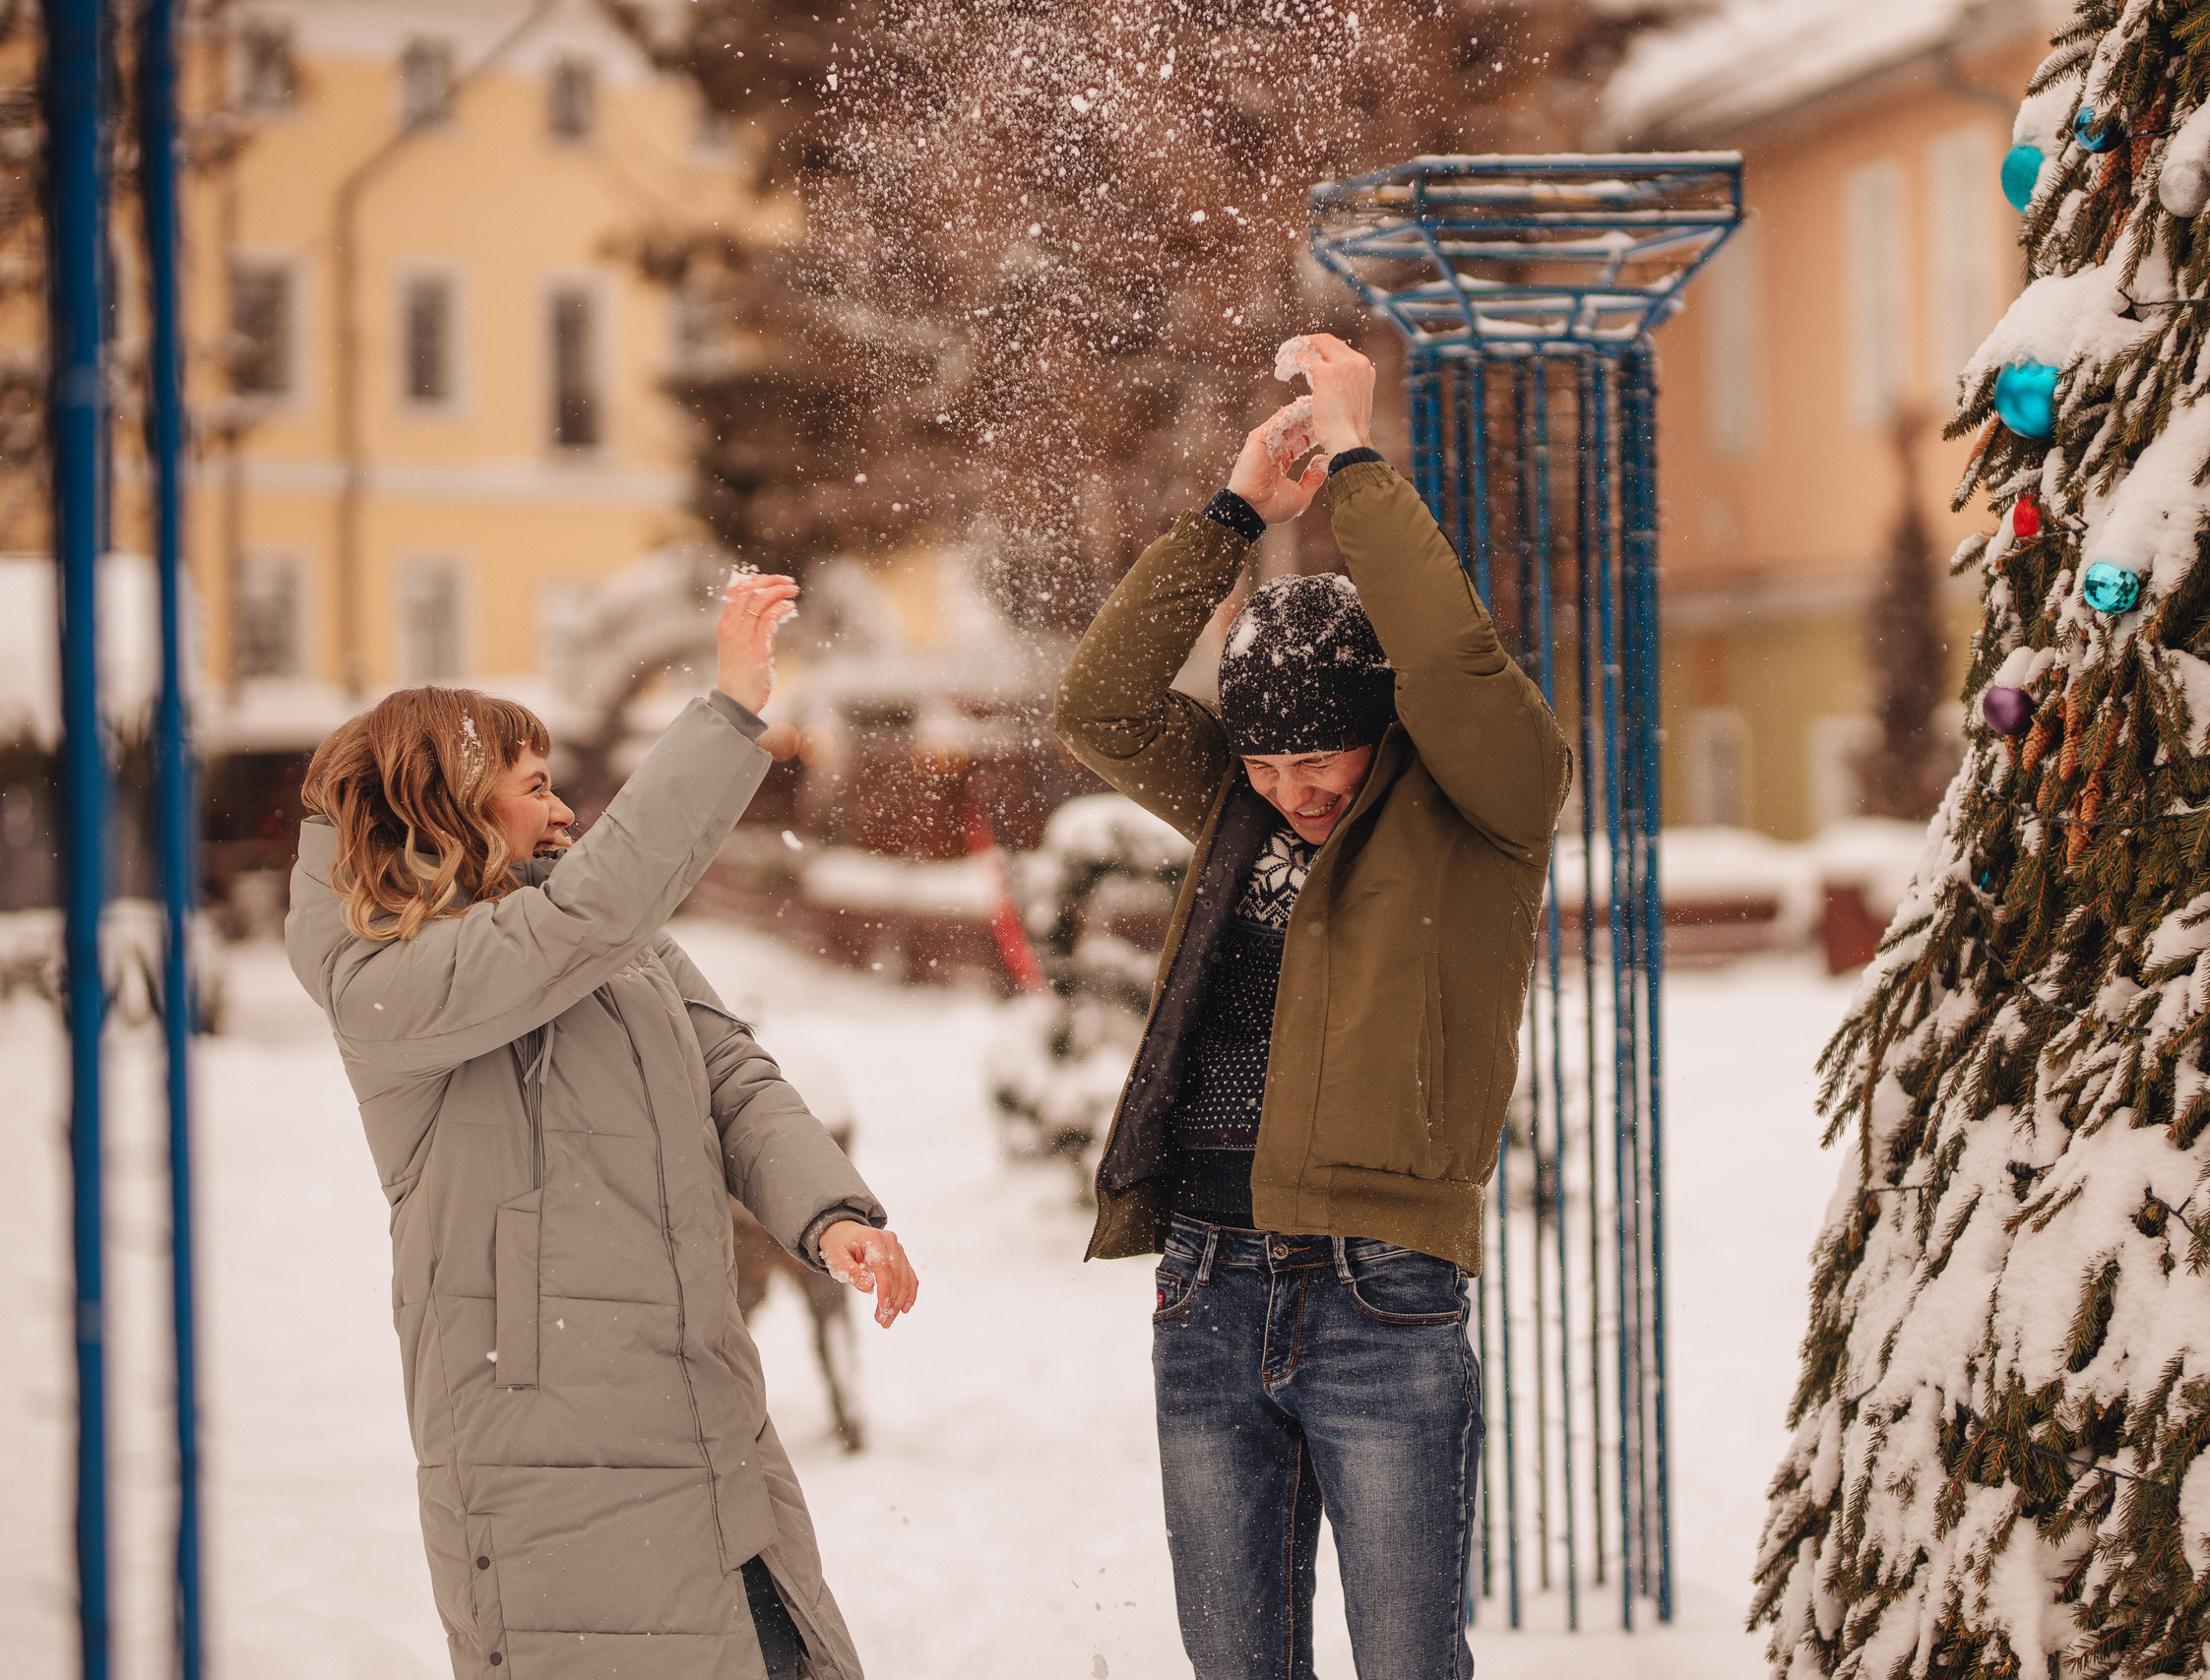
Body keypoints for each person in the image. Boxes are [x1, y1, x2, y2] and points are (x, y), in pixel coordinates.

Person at [287, 574, 919, 1680]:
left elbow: (729, 1073)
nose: (564, 812)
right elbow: (591, 914)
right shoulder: (383, 976)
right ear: (452, 804)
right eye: (534, 788)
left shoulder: (587, 922)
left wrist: (826, 1211)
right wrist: (727, 713)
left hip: (700, 1414)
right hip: (545, 1460)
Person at [1053, 335, 1569, 1679]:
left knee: (1409, 1663)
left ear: (1379, 725)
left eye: (1322, 750)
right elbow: (1101, 704)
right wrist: (1232, 514)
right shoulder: (1237, 804)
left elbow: (1458, 670)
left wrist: (1355, 465)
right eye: (1268, 757)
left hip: (1379, 1292)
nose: (1297, 786)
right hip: (1208, 1280)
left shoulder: (1481, 811)